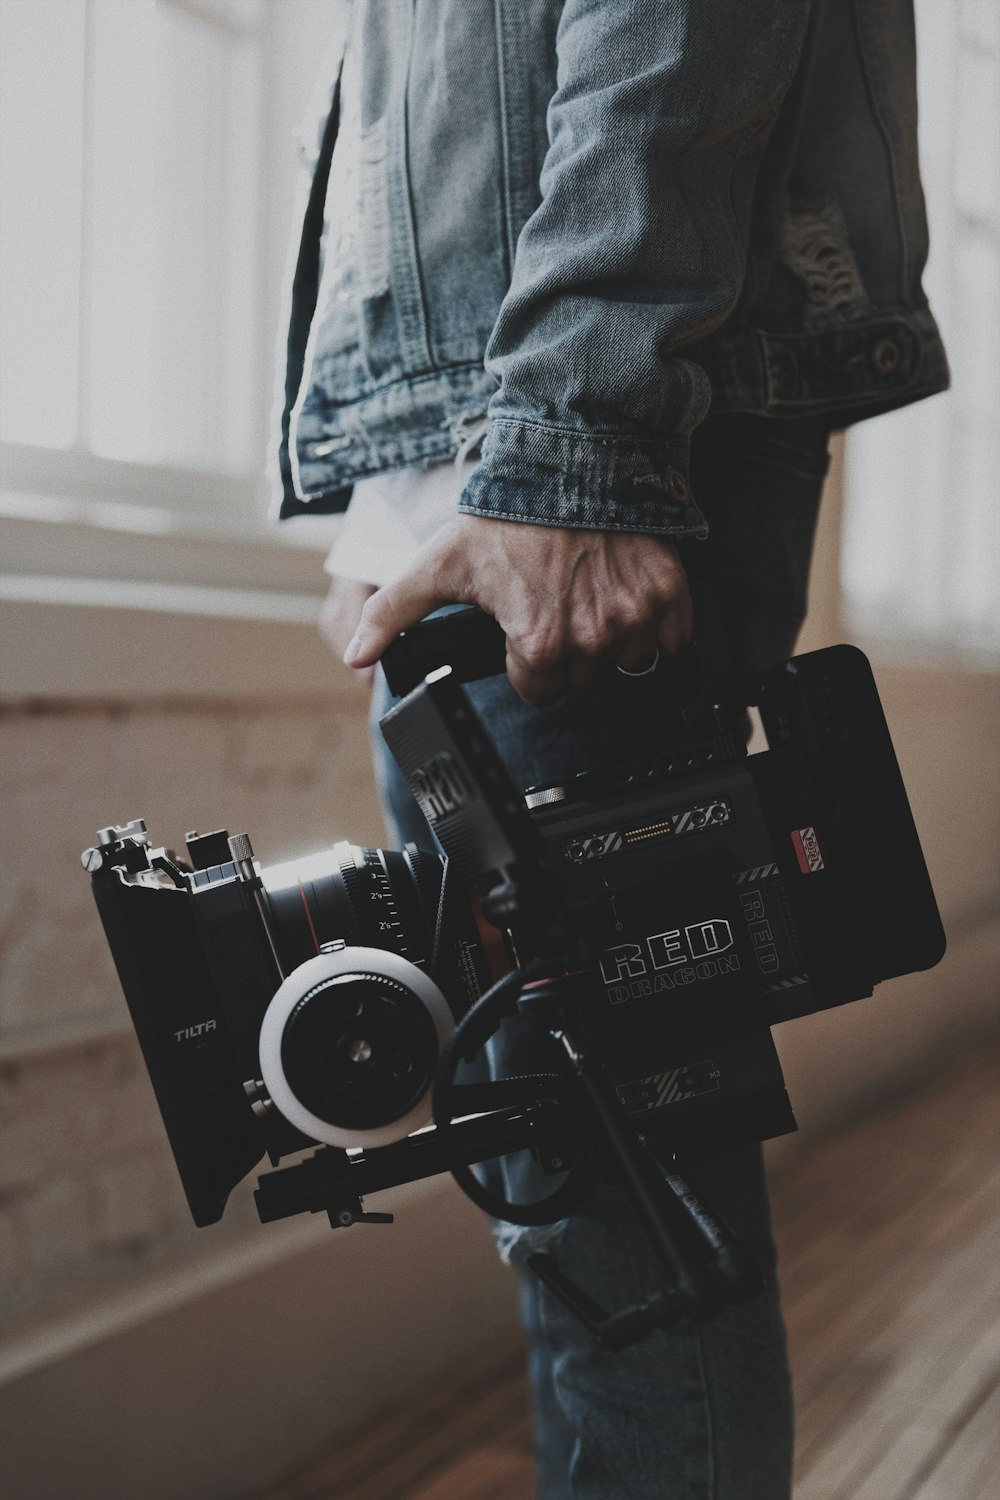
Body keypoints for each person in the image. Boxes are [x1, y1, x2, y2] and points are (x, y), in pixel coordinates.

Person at [274, 4, 947, 1495]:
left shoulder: (575, 463)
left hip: (562, 484)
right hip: (477, 492)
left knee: (633, 1230)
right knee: (577, 1211)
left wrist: (573, 445)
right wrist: (388, 490)